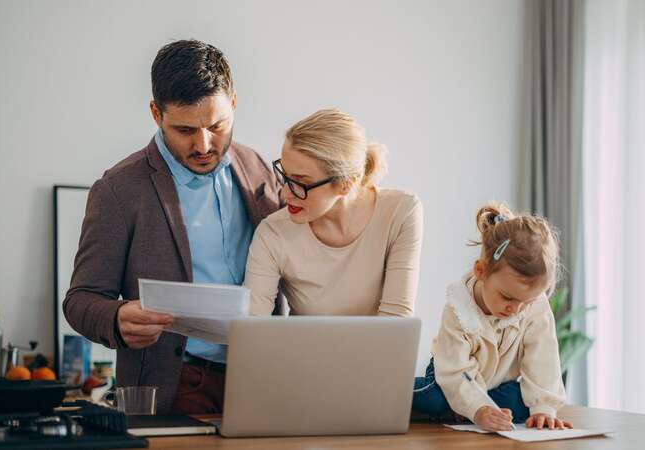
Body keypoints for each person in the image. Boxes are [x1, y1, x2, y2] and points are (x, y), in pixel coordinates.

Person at [63, 39, 280, 414]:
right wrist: (116, 318)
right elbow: (80, 299)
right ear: (155, 113)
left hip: (264, 375)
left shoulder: (259, 167)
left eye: (217, 125)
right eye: (185, 130)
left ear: (234, 102)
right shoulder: (118, 190)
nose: (203, 144)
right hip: (174, 384)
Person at [244, 108, 423, 317]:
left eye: (300, 182)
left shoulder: (401, 212)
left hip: (378, 350)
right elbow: (254, 328)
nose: (284, 193)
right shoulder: (272, 233)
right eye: (285, 176)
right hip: (300, 350)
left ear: (346, 184)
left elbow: (395, 323)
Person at [411, 202, 572, 431]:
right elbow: (455, 371)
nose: (515, 309)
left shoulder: (534, 304)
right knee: (436, 399)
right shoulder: (458, 308)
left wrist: (544, 409)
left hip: (494, 384)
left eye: (526, 302)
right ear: (481, 271)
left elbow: (542, 358)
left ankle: (461, 410)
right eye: (507, 297)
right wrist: (478, 409)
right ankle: (423, 401)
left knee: (523, 402)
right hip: (450, 374)